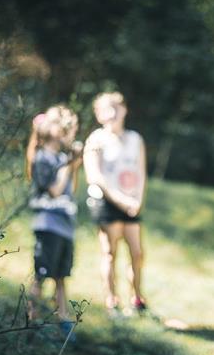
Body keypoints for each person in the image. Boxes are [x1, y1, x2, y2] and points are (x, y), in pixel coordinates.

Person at [83, 92, 147, 316]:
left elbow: (140, 172)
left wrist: (137, 200)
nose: (112, 113)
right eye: (106, 109)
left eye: (116, 107)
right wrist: (122, 200)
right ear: (99, 115)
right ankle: (112, 302)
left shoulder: (135, 139)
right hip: (107, 204)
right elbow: (95, 177)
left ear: (124, 109)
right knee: (110, 253)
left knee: (137, 253)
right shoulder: (96, 140)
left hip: (131, 204)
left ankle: (137, 300)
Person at [26, 105, 83, 332]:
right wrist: (69, 165)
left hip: (65, 226)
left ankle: (63, 318)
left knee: (61, 275)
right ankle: (31, 318)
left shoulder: (61, 158)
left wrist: (73, 164)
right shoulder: (43, 158)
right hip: (48, 224)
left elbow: (71, 190)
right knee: (41, 275)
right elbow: (55, 191)